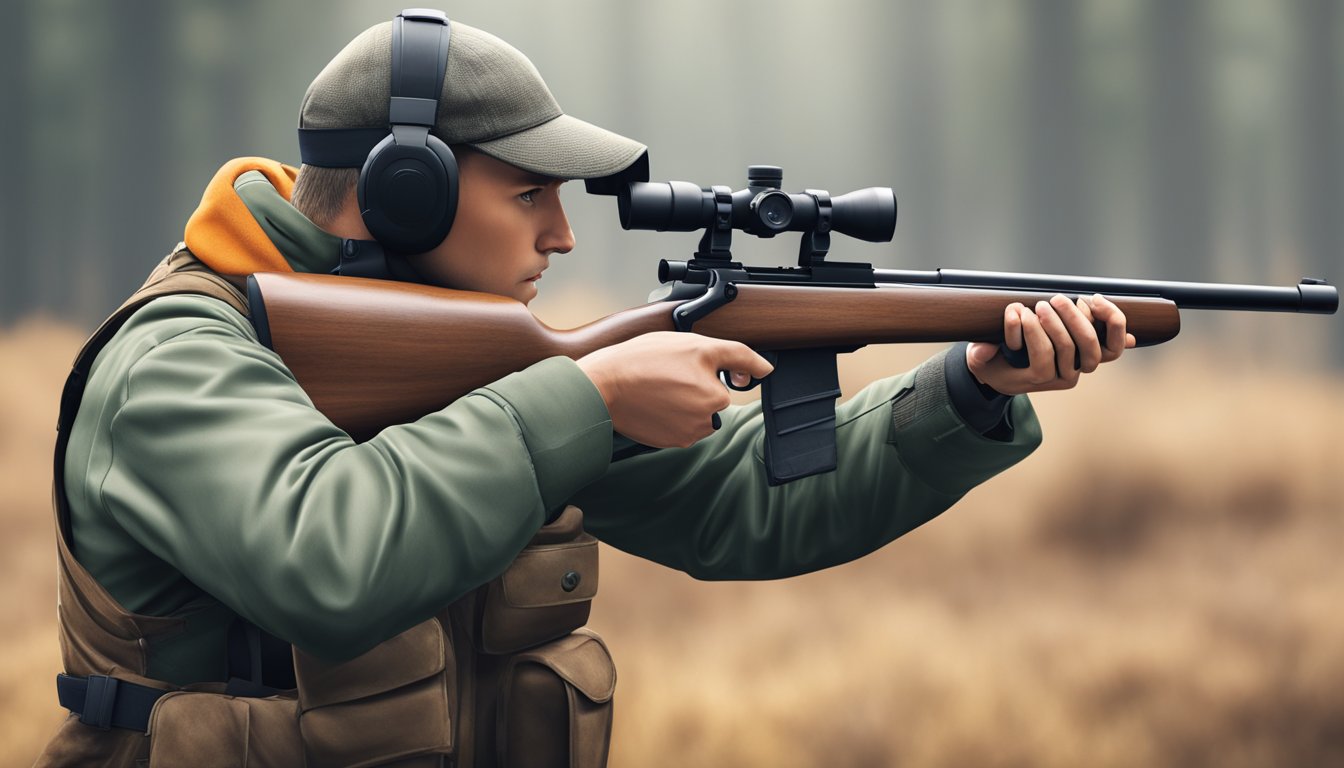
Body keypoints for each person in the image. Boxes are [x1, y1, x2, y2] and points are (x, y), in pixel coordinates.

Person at [37, 10, 1134, 767]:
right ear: (402, 194)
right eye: (529, 197)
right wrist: (587, 398)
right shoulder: (177, 361)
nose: (562, 234)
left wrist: (969, 392)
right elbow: (327, 555)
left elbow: (747, 503)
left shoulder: (498, 374)